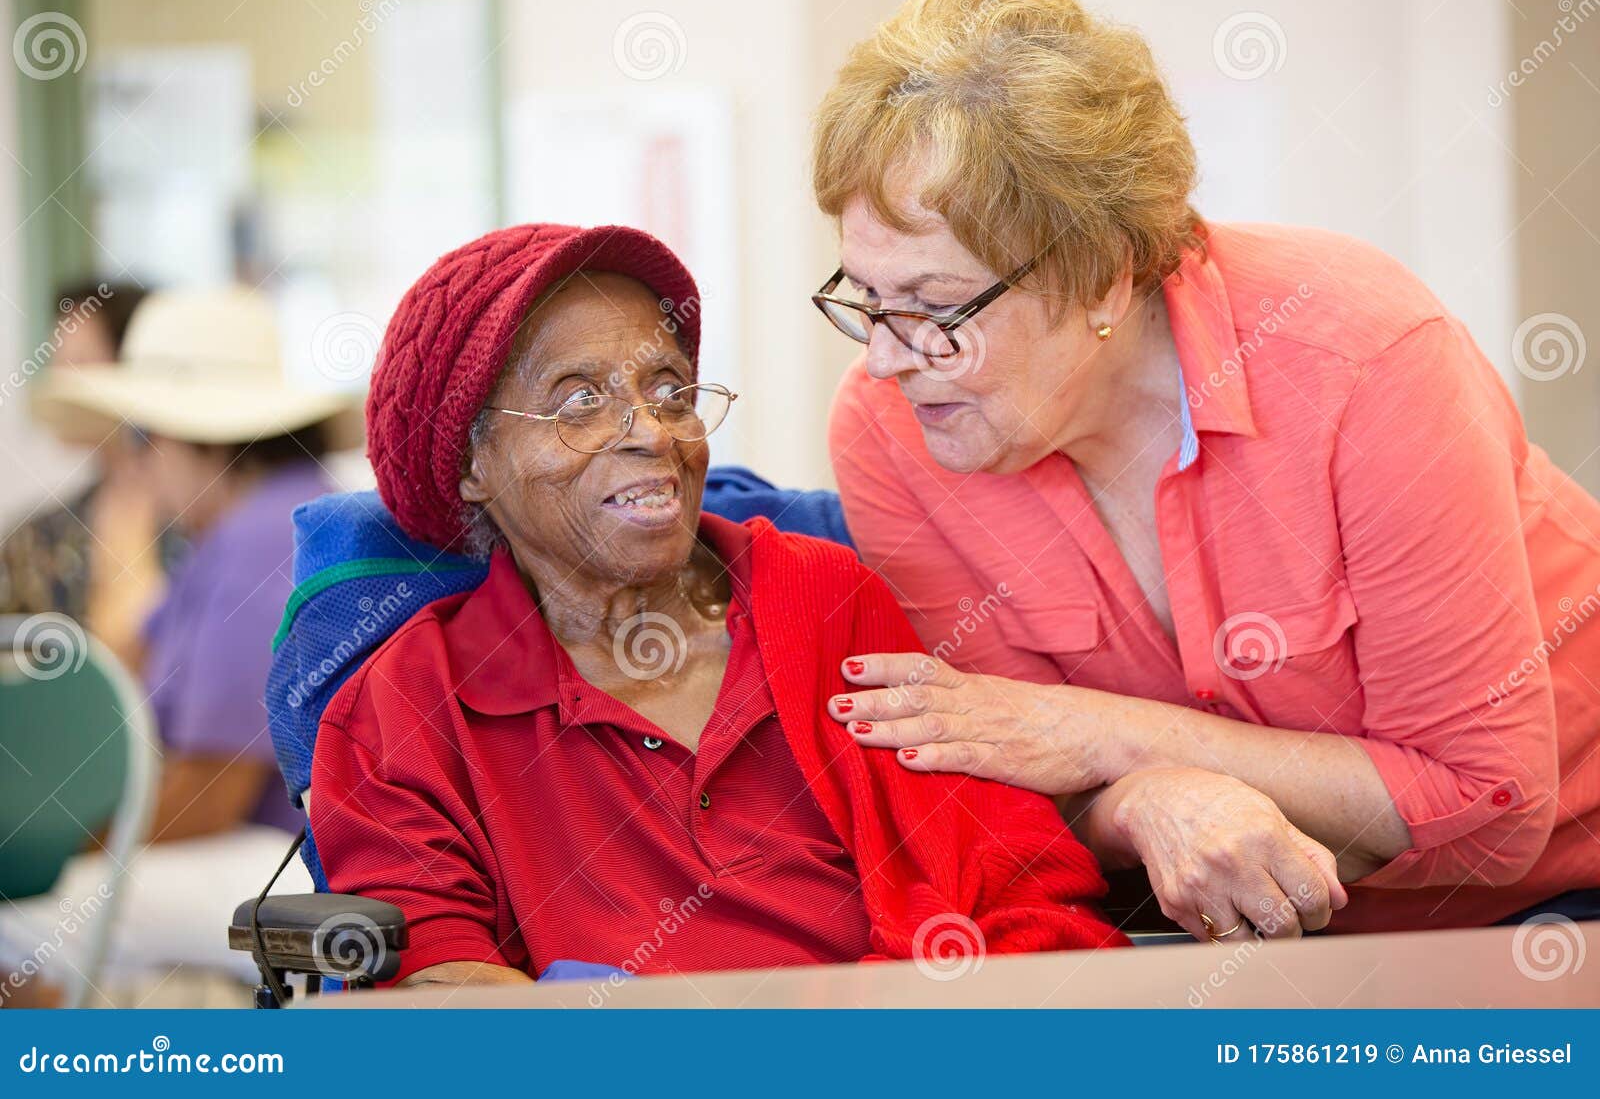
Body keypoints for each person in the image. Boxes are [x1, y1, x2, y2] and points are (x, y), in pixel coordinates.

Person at [814, 0, 1600, 940]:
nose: (885, 358)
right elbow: (1011, 786)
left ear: (1099, 275)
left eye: (936, 309)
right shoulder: (890, 430)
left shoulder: (1361, 356)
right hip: (1264, 933)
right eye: (865, 297)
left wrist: (1110, 734)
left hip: (1559, 891)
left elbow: (1490, 814)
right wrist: (1153, 797)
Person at [311, 223, 1126, 987]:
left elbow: (1029, 895)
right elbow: (450, 1012)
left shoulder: (822, 596)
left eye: (669, 389)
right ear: (470, 466)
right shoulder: (401, 710)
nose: (655, 434)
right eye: (576, 401)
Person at [0, 286, 362, 992]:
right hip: (289, 850)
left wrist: (55, 849)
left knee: (21, 917)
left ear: (191, 436)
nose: (134, 462)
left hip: (298, 857)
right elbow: (128, 673)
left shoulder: (260, 539)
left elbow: (214, 790)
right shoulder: (258, 520)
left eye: (140, 436)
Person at [0, 280, 175, 668]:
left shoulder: (201, 527)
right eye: (55, 363)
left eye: (79, 364)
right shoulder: (32, 542)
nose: (58, 386)